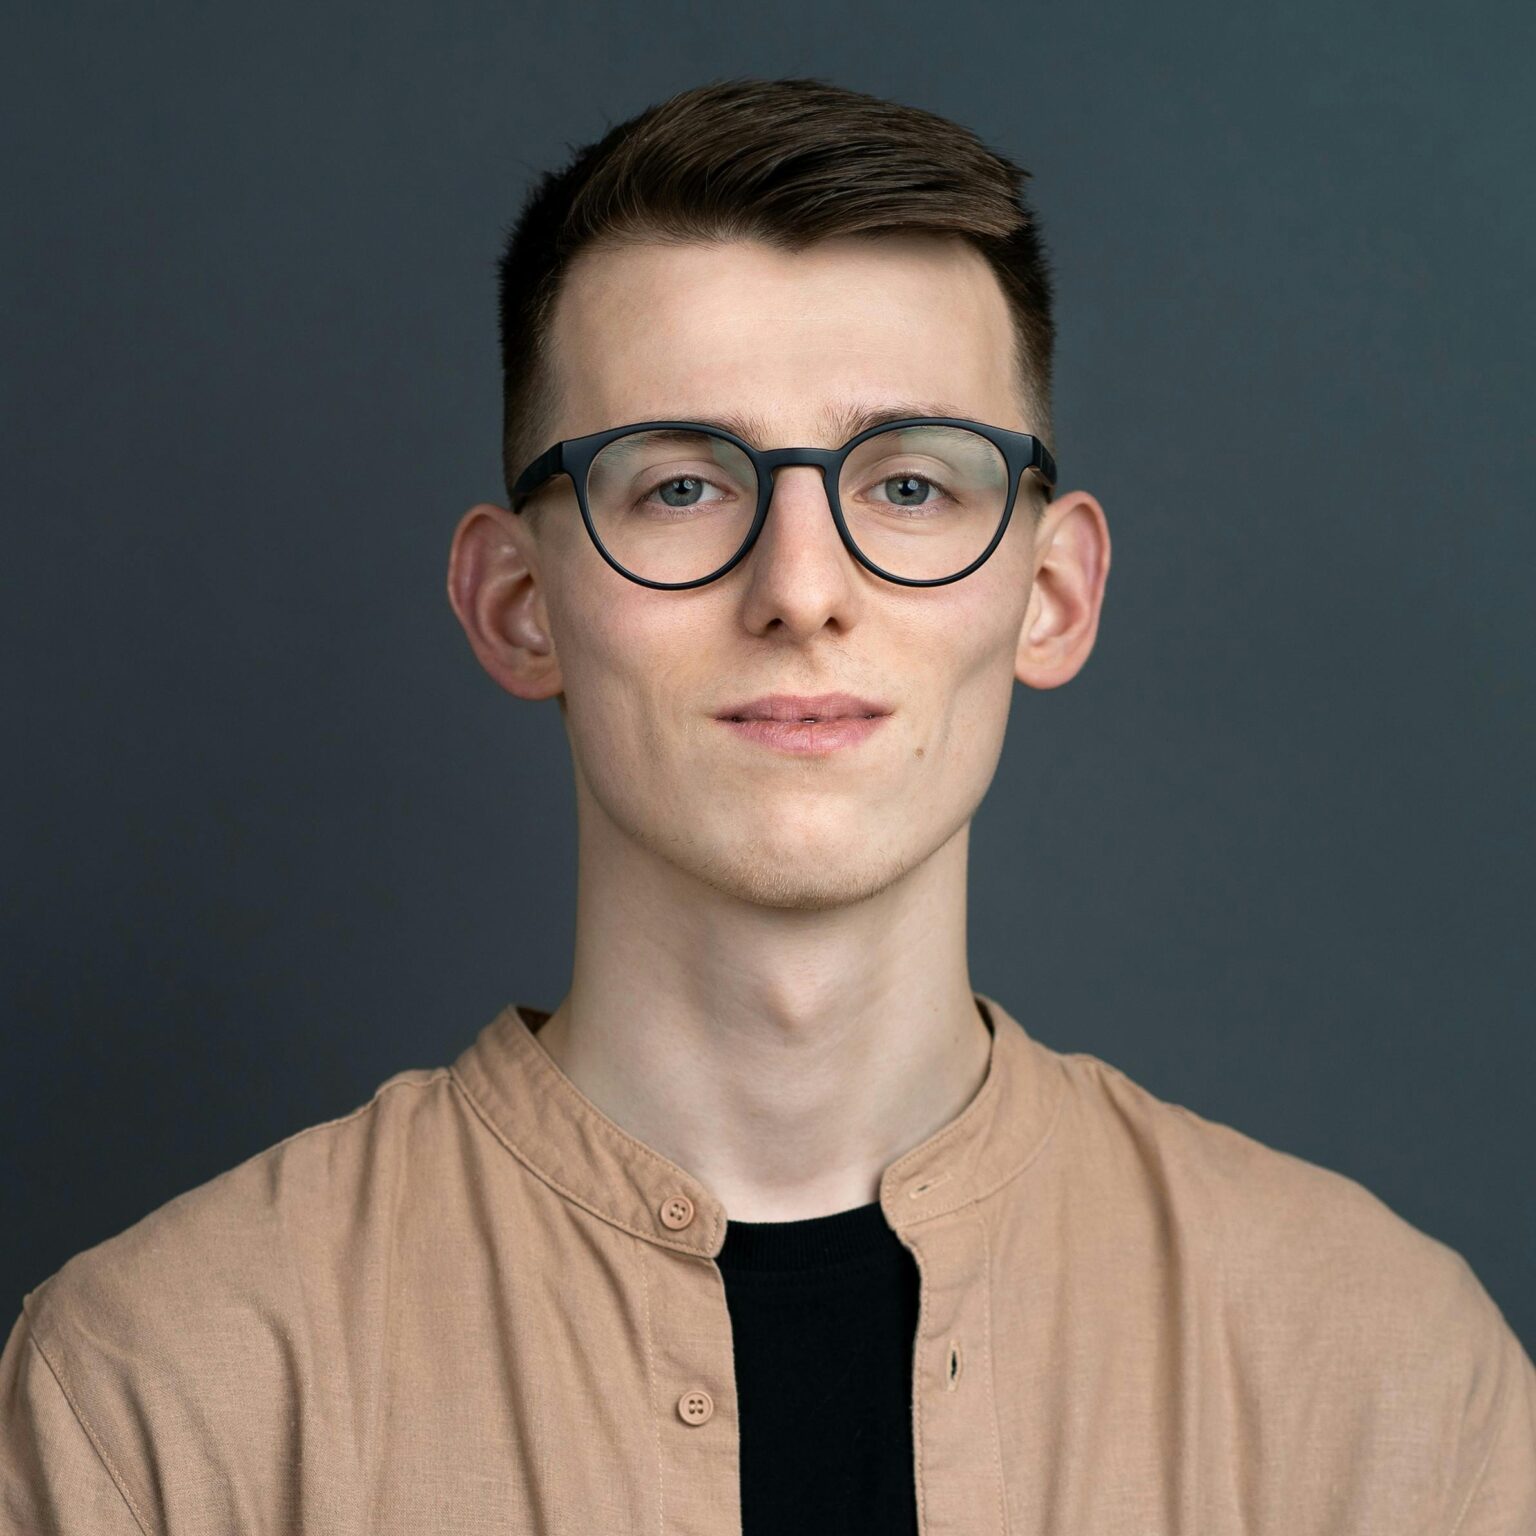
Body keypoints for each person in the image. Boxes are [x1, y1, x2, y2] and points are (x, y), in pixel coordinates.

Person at [3, 75, 1532, 1536]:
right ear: (517, 604)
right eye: (680, 485)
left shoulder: (1394, 1384)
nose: (802, 589)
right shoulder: (152, 1396)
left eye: (912, 486)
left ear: (1053, 593)